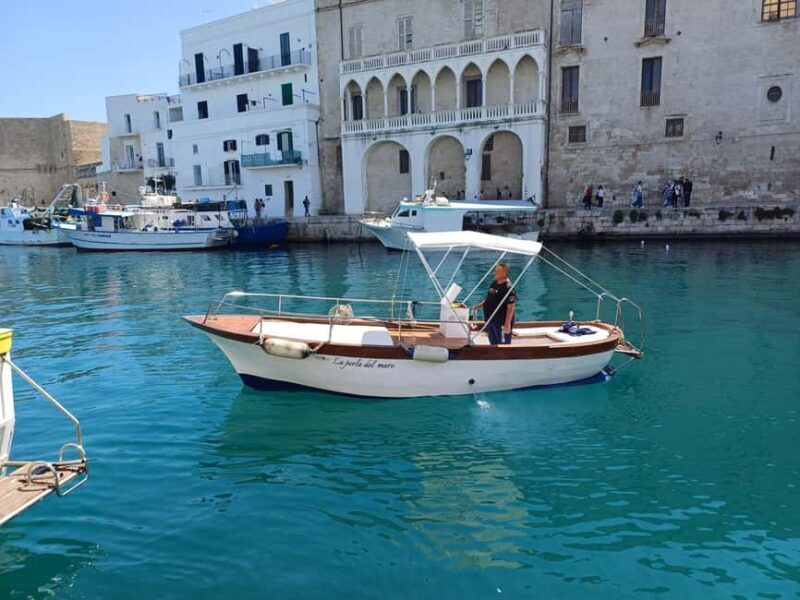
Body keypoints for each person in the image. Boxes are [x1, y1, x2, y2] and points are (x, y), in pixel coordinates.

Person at [471, 263, 516, 345]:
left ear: (504, 272)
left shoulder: (508, 288)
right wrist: (480, 305)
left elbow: (511, 307)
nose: (494, 272)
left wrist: (507, 324)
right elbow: (490, 298)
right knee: (493, 343)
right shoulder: (495, 283)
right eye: (495, 270)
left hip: (500, 322)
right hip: (491, 319)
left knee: (502, 344)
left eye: (497, 271)